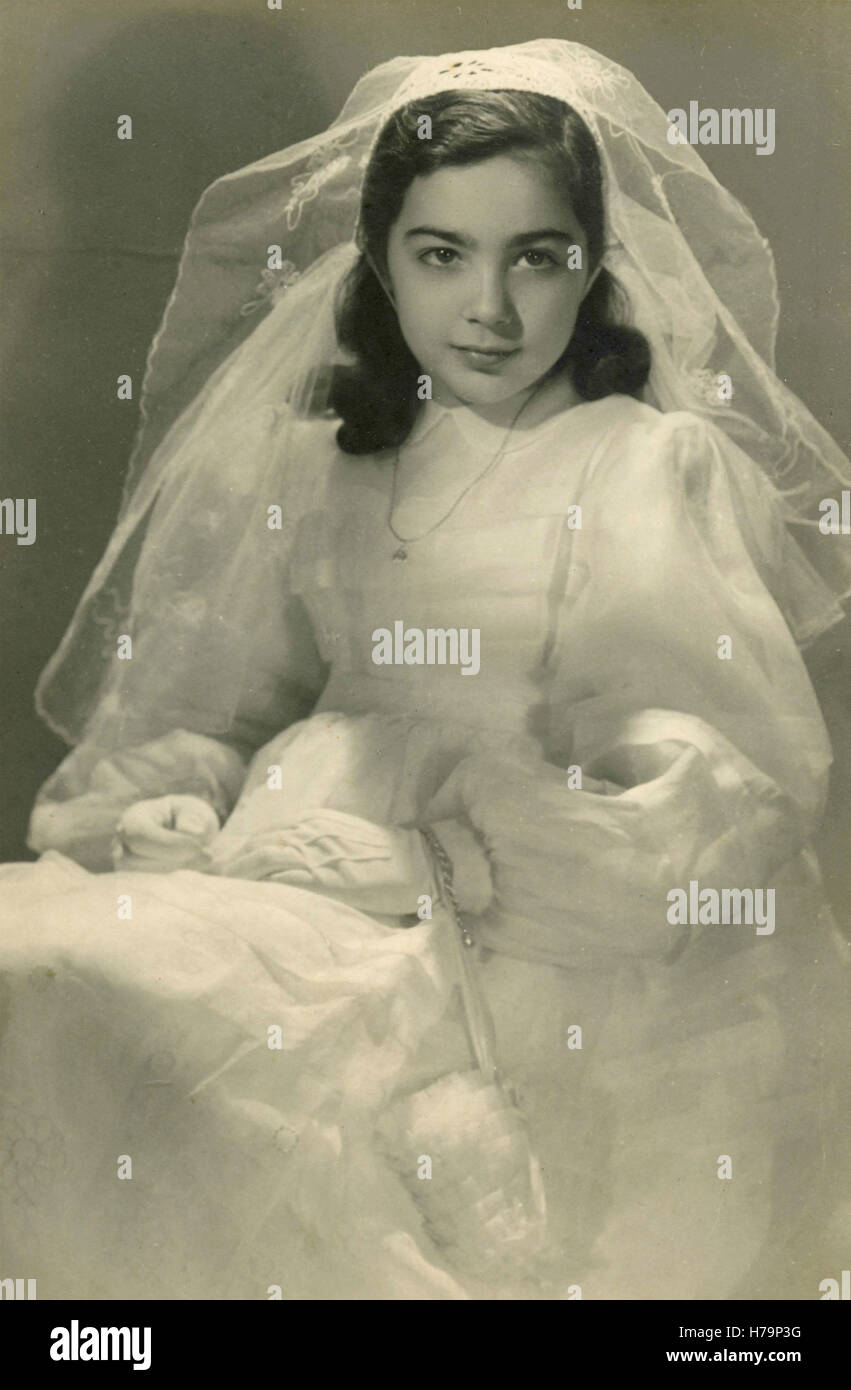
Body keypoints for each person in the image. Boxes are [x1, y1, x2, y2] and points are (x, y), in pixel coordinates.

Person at [1, 39, 849, 1301]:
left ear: (594, 264)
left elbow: (708, 796)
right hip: (282, 869)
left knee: (210, 1048)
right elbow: (200, 714)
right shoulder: (303, 471)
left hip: (529, 939)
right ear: (381, 265)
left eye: (536, 256)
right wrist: (165, 809)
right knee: (44, 960)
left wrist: (447, 866)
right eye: (441, 254)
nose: (489, 311)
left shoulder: (635, 468)